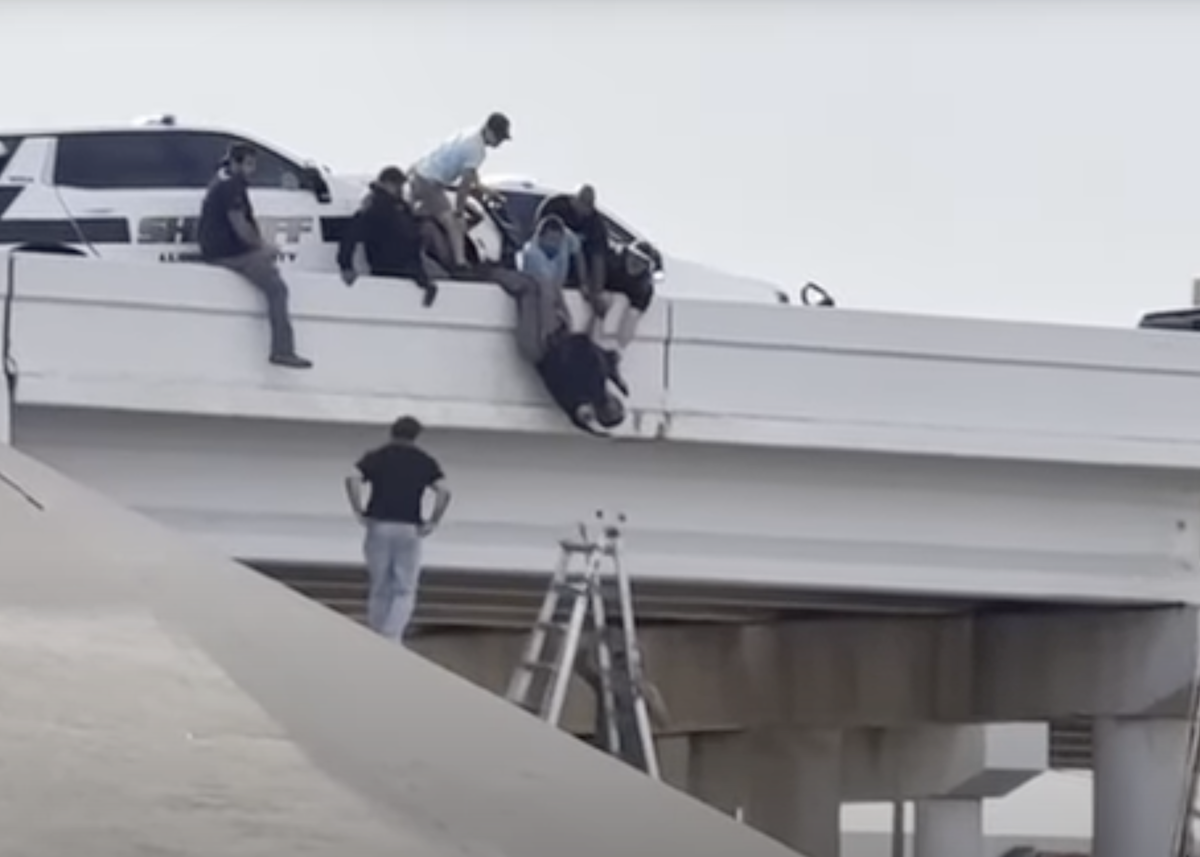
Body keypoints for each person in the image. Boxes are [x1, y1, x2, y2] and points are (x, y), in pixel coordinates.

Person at [197, 143, 311, 369]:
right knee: (278, 289)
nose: (252, 170)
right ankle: (283, 350)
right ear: (236, 164)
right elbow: (239, 225)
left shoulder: (220, 183)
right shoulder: (233, 187)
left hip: (220, 250)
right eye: (249, 164)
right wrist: (263, 247)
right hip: (229, 253)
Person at [344, 416, 452, 643]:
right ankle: (392, 636)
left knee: (380, 584)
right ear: (416, 435)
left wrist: (358, 509)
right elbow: (443, 492)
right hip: (409, 528)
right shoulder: (424, 461)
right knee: (404, 587)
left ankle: (376, 634)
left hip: (379, 525)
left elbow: (353, 478)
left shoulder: (377, 456)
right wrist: (433, 521)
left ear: (392, 432)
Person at [408, 112, 512, 272]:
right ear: (489, 131)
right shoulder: (477, 150)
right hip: (430, 183)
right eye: (498, 138)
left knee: (418, 215)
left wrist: (484, 189)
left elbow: (471, 176)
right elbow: (464, 185)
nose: (499, 143)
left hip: (419, 173)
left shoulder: (470, 134)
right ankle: (460, 263)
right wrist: (459, 212)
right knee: (453, 224)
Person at [338, 166, 438, 307]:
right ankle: (426, 285)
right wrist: (346, 266)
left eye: (400, 185)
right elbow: (351, 235)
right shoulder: (374, 207)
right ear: (385, 183)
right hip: (388, 263)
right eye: (395, 184)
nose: (399, 189)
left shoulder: (400, 205)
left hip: (409, 261)